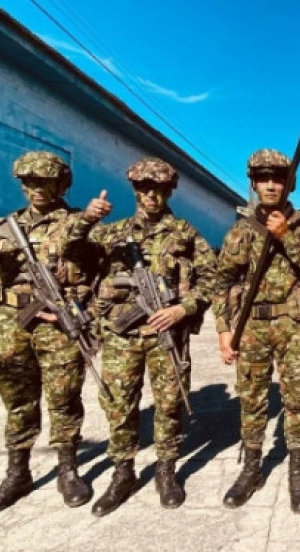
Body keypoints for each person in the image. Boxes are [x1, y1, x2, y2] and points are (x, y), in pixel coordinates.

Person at [0, 151, 104, 516]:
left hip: (57, 324)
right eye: (29, 182)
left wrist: (92, 315)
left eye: (45, 181)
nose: (36, 189)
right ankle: (17, 473)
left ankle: (68, 469)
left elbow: (105, 272)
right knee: (17, 398)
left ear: (61, 184)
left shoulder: (80, 224)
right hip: (12, 323)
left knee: (64, 396)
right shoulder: (5, 228)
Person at [80, 158, 217, 516]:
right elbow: (71, 253)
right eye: (143, 188)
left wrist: (184, 308)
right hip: (121, 335)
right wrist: (86, 219)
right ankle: (122, 472)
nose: (151, 195)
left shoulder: (186, 233)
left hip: (166, 335)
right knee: (118, 404)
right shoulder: (112, 232)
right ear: (134, 189)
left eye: (158, 188)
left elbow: (212, 278)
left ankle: (166, 470)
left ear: (169, 191)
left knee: (169, 403)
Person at [211, 149, 300, 515]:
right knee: (252, 399)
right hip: (250, 328)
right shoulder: (241, 228)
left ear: (288, 183)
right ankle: (252, 469)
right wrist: (222, 330)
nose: (269, 185)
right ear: (253, 183)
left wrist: (287, 238)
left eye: (277, 178)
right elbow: (223, 281)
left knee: (297, 399)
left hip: (293, 326)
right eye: (262, 178)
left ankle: (298, 471)